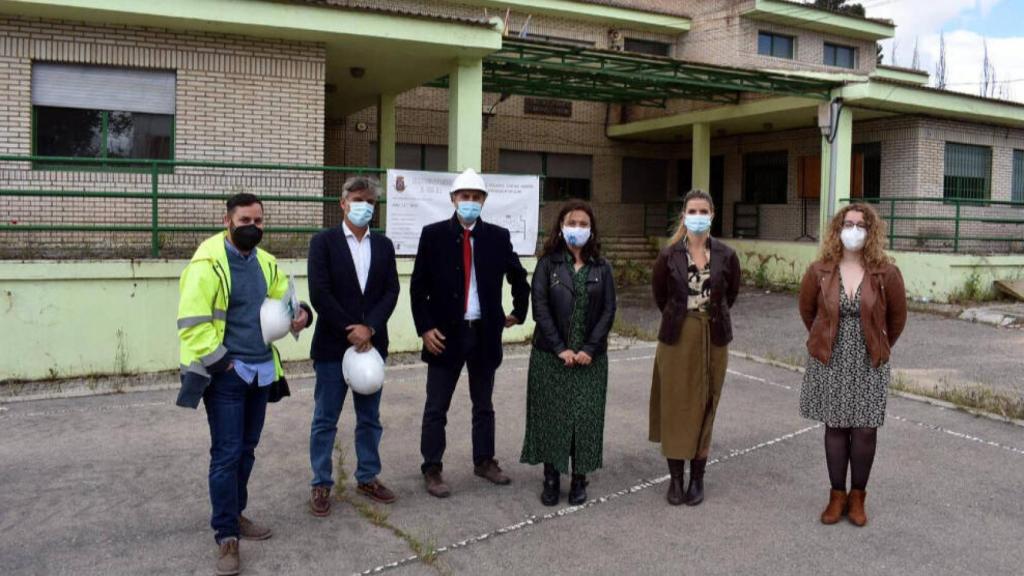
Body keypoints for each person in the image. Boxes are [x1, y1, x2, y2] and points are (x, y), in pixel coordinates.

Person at [176, 193, 312, 576]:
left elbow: (286, 303)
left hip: (261, 371)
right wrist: (225, 364)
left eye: (259, 220)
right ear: (228, 220)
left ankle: (236, 515)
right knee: (227, 453)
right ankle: (226, 536)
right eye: (246, 220)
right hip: (226, 377)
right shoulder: (207, 264)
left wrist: (301, 315)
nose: (254, 227)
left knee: (247, 449)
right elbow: (192, 324)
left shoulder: (266, 263)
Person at [411, 168, 530, 498]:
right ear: (453, 199)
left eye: (476, 197)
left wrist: (519, 312)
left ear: (484, 201)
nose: (470, 202)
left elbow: (519, 278)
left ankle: (484, 461)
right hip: (445, 335)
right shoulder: (433, 235)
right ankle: (432, 468)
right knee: (437, 406)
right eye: (464, 197)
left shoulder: (497, 236)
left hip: (484, 332)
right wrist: (424, 328)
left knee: (484, 404)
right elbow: (418, 288)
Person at [798, 203, 907, 527]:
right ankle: (836, 495)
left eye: (861, 225)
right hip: (830, 358)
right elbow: (808, 312)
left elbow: (897, 318)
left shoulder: (886, 272)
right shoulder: (819, 270)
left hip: (868, 360)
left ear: (871, 232)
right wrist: (825, 339)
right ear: (837, 229)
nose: (854, 230)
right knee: (835, 426)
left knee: (864, 429)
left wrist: (877, 344)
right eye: (848, 224)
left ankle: (858, 496)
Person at [307, 176, 400, 517]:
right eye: (358, 199)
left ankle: (368, 477)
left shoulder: (384, 245)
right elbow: (320, 292)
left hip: (372, 345)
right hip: (334, 345)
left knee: (370, 418)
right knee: (325, 418)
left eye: (371, 202)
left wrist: (370, 328)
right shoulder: (323, 242)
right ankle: (320, 482)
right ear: (343, 203)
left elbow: (391, 291)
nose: (364, 206)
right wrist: (351, 328)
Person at [520, 200, 616, 506]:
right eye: (572, 222)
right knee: (552, 417)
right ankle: (551, 478)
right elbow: (540, 308)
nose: (577, 228)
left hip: (591, 360)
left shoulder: (602, 267)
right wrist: (560, 348)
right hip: (551, 357)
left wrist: (589, 349)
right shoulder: (548, 264)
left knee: (585, 419)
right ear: (561, 227)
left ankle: (579, 479)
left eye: (583, 224)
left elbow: (608, 311)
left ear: (592, 229)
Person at [649, 189, 740, 507]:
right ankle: (675, 479)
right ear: (684, 214)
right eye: (693, 211)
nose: (698, 216)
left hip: (714, 334)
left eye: (704, 211)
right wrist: (683, 318)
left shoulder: (726, 255)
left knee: (706, 404)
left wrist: (707, 317)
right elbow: (661, 295)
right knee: (676, 406)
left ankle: (697, 478)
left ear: (712, 215)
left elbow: (730, 295)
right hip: (677, 335)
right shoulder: (668, 254)